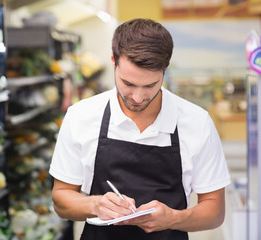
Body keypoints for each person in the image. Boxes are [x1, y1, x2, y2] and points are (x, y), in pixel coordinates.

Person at [49, 18, 230, 240]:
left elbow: (214, 211)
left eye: (150, 86)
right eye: (128, 83)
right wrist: (95, 204)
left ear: (165, 70)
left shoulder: (197, 122)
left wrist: (173, 218)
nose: (137, 98)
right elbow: (61, 200)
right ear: (113, 61)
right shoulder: (81, 116)